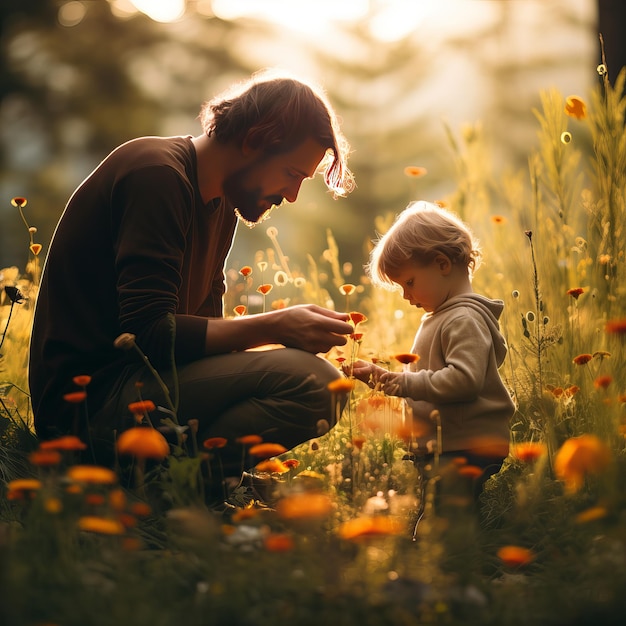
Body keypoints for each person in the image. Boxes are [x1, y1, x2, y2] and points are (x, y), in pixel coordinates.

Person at [29, 69, 355, 480]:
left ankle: (192, 479)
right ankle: (184, 486)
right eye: (292, 174)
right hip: (87, 407)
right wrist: (276, 325)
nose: (291, 195)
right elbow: (148, 333)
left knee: (310, 379)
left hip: (148, 389)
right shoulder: (157, 175)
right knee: (316, 384)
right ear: (254, 140)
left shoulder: (220, 203)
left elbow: (202, 334)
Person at [346, 201, 515, 506]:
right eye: (401, 288)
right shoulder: (445, 316)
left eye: (409, 282)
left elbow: (464, 380)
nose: (407, 295)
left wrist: (400, 383)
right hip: (448, 442)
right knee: (440, 514)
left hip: (466, 445)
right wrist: (385, 380)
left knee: (443, 525)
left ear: (442, 264)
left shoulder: (463, 319)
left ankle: (463, 552)